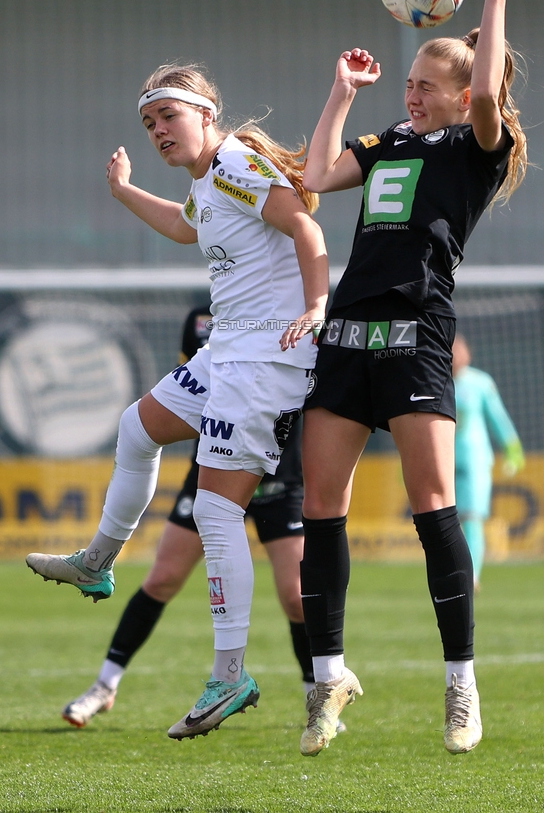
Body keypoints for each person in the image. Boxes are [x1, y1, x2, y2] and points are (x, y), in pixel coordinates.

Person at [26, 64, 328, 740]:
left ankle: (229, 674)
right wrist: (126, 191)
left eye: (168, 116)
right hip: (229, 351)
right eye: (149, 122)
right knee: (137, 427)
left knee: (218, 513)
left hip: (263, 361)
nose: (158, 130)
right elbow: (189, 229)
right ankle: (98, 562)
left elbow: (306, 229)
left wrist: (316, 304)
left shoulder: (237, 164)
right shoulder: (209, 180)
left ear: (204, 113)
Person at [296, 0, 535, 757]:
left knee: (433, 509)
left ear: (460, 95)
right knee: (319, 506)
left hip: (415, 336)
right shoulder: (389, 135)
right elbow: (316, 173)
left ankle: (461, 685)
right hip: (349, 334)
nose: (413, 94)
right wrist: (342, 93)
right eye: (410, 85)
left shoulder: (476, 146)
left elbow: (487, 92)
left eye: (425, 87)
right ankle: (326, 675)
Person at [61, 307, 329, 731]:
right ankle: (104, 686)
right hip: (215, 466)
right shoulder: (206, 316)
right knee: (163, 577)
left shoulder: (301, 307)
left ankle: (316, 696)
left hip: (280, 475)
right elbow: (191, 388)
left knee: (296, 596)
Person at [452, 333, 525, 590]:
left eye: (459, 349)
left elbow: (498, 418)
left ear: (468, 353)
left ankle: (471, 575)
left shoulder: (480, 383)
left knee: (471, 517)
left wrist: (513, 450)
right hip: (442, 460)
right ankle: (450, 572)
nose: (454, 355)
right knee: (443, 520)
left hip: (474, 460)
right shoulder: (433, 380)